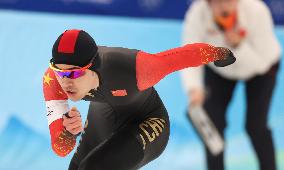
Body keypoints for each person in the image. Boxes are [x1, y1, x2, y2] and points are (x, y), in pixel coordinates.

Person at [43, 29, 235, 170]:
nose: (66, 81)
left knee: (95, 168)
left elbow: (181, 57)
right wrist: (69, 133)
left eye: (75, 73)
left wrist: (219, 53)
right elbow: (62, 148)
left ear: (93, 66)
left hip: (148, 120)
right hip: (103, 118)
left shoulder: (137, 69)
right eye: (60, 72)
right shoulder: (53, 81)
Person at [181, 0, 282, 170]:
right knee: (212, 124)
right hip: (220, 69)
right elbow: (189, 54)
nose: (224, 7)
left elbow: (260, 64)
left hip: (262, 67)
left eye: (229, 1)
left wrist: (238, 46)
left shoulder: (257, 11)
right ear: (208, 3)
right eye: (218, 2)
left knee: (255, 126)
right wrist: (194, 89)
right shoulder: (197, 14)